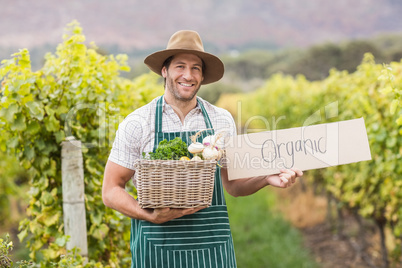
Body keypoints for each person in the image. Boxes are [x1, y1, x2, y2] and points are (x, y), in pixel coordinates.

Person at [102, 30, 303, 268]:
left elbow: (233, 185)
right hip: (157, 247)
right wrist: (149, 215)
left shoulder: (221, 120)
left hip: (212, 248)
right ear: (164, 71)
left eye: (196, 68)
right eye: (180, 66)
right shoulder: (138, 122)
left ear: (202, 76)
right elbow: (111, 189)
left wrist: (266, 178)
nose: (188, 75)